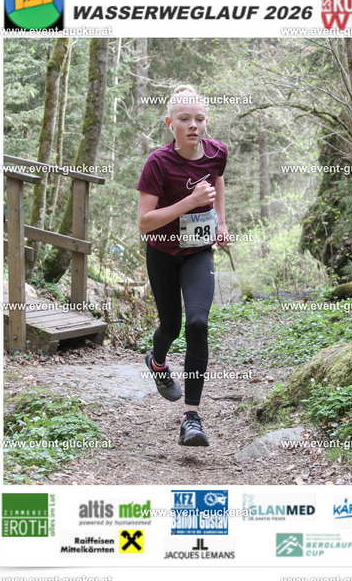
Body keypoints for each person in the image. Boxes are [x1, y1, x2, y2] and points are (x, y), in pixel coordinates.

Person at [136, 84, 229, 446]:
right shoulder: (158, 163)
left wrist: (221, 223)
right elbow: (145, 222)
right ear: (169, 123)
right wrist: (189, 202)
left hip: (197, 251)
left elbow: (217, 180)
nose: (193, 125)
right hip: (162, 253)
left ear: (206, 121)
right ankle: (157, 361)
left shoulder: (217, 152)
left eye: (200, 119)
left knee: (198, 323)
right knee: (171, 327)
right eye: (185, 119)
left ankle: (191, 417)